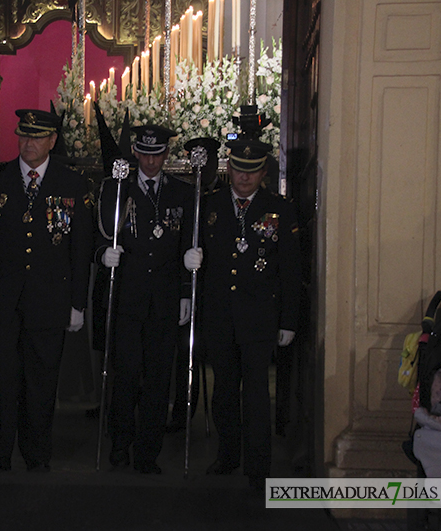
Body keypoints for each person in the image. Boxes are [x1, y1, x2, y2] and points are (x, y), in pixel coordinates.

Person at [0, 109, 92, 472]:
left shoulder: (72, 184)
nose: (28, 144)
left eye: (36, 137)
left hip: (49, 300)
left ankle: (37, 455)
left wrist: (77, 303)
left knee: (41, 381)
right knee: (2, 379)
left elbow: (80, 248)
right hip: (3, 299)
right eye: (23, 136)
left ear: (52, 141)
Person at [184, 135, 301, 490]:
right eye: (238, 170)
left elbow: (291, 269)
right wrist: (192, 263)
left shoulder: (279, 209)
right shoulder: (211, 204)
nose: (244, 178)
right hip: (220, 314)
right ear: (229, 168)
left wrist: (289, 320)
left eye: (251, 172)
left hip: (260, 316)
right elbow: (196, 252)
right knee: (223, 392)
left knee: (255, 393)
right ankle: (228, 454)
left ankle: (257, 465)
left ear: (263, 172)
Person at [95, 124, 195, 474]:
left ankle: (148, 452)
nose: (151, 161)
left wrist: (186, 290)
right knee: (125, 374)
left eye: (158, 154)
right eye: (145, 154)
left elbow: (188, 246)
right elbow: (101, 236)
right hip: (127, 296)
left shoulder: (182, 194)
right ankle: (120, 443)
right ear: (135, 153)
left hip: (166, 297)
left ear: (166, 155)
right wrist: (102, 255)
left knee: (157, 378)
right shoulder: (116, 188)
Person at [167, 136, 223, 433]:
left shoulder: (223, 195)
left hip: (215, 287)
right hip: (188, 287)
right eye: (197, 160)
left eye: (208, 160)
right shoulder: (185, 195)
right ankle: (182, 410)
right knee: (183, 353)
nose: (203, 166)